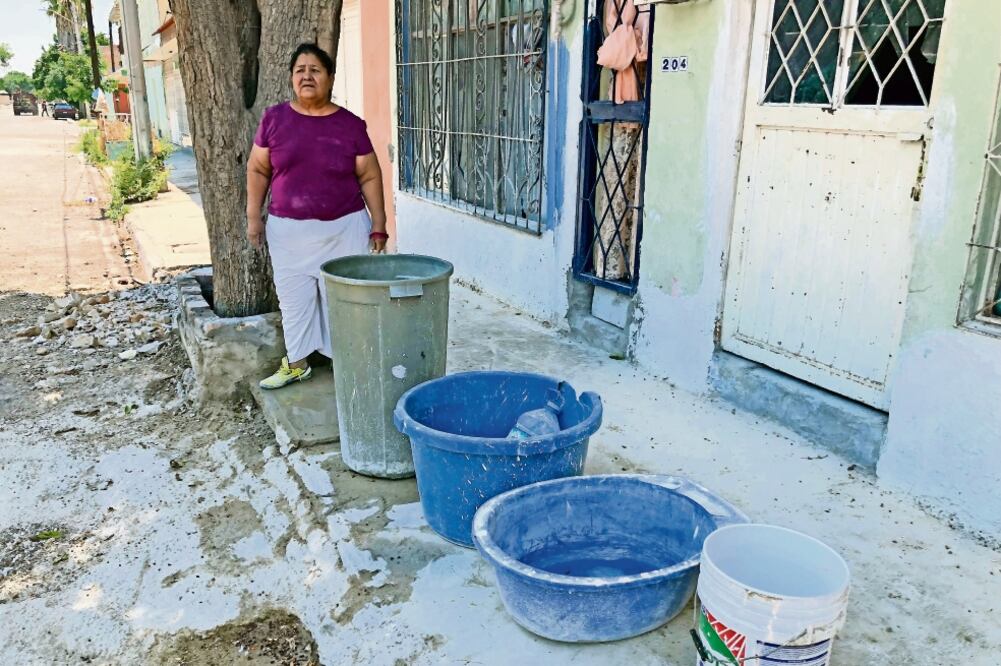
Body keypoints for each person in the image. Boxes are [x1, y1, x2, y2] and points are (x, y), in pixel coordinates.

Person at [247, 42, 389, 390]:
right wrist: (254, 216)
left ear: (330, 78)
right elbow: (258, 169)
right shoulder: (274, 119)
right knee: (294, 300)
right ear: (292, 79)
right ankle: (297, 363)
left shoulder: (350, 125)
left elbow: (370, 175)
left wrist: (379, 225)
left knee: (345, 303)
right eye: (300, 70)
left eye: (315, 70)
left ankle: (351, 364)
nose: (307, 76)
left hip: (344, 231)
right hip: (288, 233)